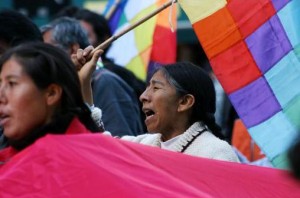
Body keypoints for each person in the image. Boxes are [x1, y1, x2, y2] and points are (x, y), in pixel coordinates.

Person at [0, 42, 103, 163]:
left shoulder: (90, 158)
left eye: (12, 83)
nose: (1, 96)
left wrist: (82, 83)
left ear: (52, 93)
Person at [41, 17, 144, 136]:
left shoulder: (105, 82)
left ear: (73, 48)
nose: (43, 58)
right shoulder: (61, 87)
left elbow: (119, 142)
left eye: (48, 50)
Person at [121, 62, 239, 162]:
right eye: (147, 88)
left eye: (156, 88)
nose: (143, 96)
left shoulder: (217, 154)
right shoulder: (145, 144)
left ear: (184, 102)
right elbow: (106, 146)